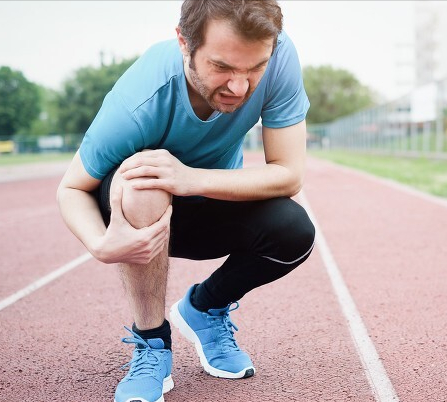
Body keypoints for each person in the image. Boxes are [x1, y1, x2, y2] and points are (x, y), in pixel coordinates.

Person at [56, 1, 315, 401]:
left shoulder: (279, 56)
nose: (240, 87)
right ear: (183, 42)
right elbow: (71, 188)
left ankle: (205, 308)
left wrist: (190, 179)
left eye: (254, 69)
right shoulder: (140, 99)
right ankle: (151, 343)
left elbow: (289, 173)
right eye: (222, 67)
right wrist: (100, 245)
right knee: (144, 180)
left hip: (207, 200)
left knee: (294, 230)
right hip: (138, 216)